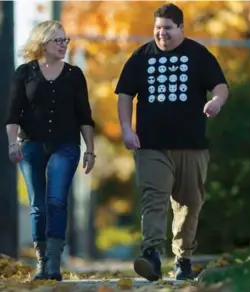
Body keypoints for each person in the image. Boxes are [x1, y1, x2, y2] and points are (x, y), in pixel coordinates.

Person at [115, 3, 229, 281]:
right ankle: (151, 254)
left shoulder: (198, 54)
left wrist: (216, 101)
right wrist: (127, 130)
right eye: (157, 29)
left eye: (167, 28)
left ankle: (183, 258)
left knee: (189, 204)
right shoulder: (141, 56)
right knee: (153, 198)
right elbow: (124, 95)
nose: (161, 34)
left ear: (181, 28)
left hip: (191, 145)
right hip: (151, 144)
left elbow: (220, 86)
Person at [4, 20, 96, 281]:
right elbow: (13, 114)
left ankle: (54, 263)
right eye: (58, 40)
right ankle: (42, 262)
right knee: (37, 206)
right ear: (42, 42)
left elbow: (85, 117)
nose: (63, 44)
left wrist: (90, 150)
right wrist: (12, 143)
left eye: (65, 40)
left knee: (56, 200)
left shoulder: (74, 75)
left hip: (66, 145)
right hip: (30, 146)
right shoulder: (24, 73)